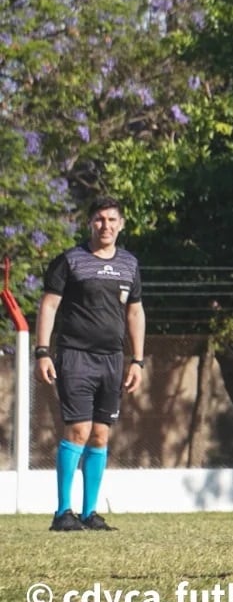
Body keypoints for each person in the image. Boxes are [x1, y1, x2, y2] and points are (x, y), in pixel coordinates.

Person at [35, 197, 145, 532]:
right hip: (75, 356)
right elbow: (49, 306)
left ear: (121, 224)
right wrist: (42, 351)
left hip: (113, 359)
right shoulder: (70, 261)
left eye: (112, 220)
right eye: (99, 219)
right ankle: (62, 512)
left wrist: (137, 360)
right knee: (78, 430)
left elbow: (135, 312)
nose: (106, 226)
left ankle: (89, 513)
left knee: (100, 435)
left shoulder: (129, 264)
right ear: (89, 224)